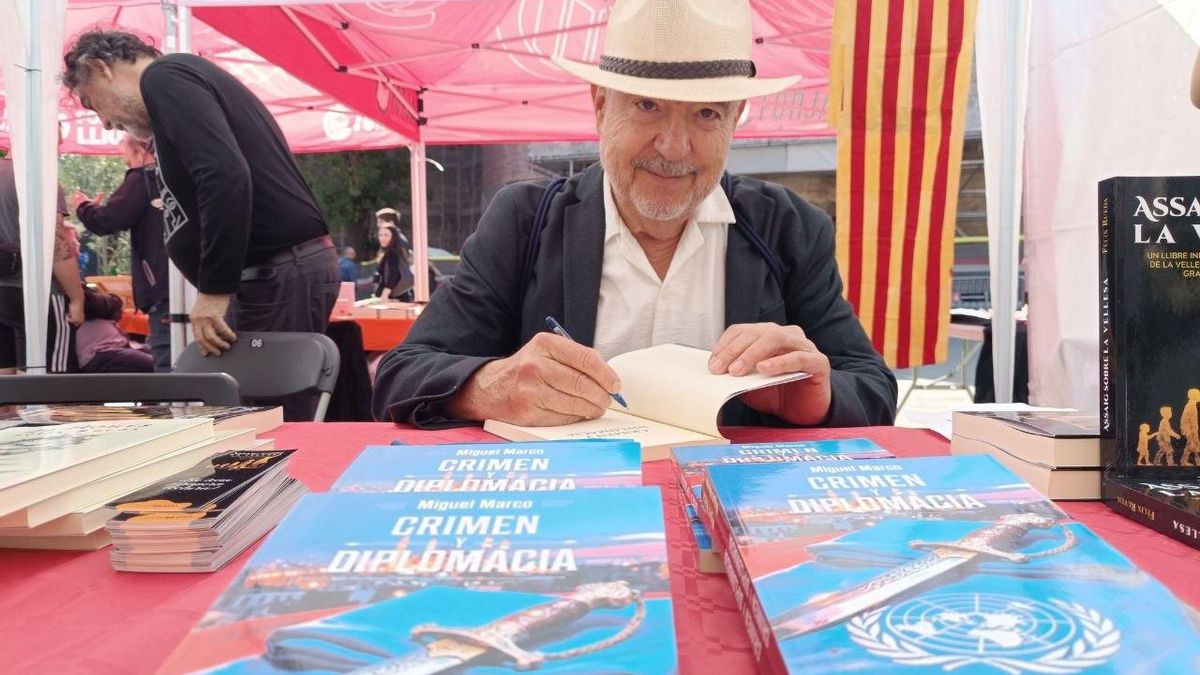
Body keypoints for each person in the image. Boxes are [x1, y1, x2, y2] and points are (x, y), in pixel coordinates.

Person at [371, 0, 896, 428]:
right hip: (572, 507)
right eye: (647, 105)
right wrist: (486, 388)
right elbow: (402, 375)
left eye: (707, 114)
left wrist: (818, 397)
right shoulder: (524, 221)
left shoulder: (789, 227)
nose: (673, 146)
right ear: (601, 105)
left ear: (735, 121)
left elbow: (872, 388)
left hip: (738, 500)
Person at [61, 32, 341, 362]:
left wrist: (214, 289)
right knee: (250, 406)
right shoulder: (173, 89)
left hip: (273, 273)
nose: (106, 123)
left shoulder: (164, 77)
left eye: (94, 104)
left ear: (100, 67)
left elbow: (224, 175)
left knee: (263, 409)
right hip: (268, 275)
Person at [70, 135, 171, 371]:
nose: (122, 156)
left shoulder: (143, 179)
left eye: (124, 152)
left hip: (162, 290)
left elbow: (107, 221)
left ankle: (173, 407)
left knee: (167, 365)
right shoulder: (178, 177)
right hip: (187, 285)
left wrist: (83, 208)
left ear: (139, 150)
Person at [0, 149, 85, 375]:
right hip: (42, 294)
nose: (56, 151)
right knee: (51, 382)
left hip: (3, 290)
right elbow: (54, 244)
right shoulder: (41, 179)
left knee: (6, 385)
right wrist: (77, 298)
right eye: (55, 143)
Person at [75, 287, 154, 373]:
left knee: (155, 352)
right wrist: (113, 300)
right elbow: (102, 303)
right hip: (101, 354)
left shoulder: (102, 320)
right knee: (155, 363)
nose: (122, 313)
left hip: (110, 350)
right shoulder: (86, 304)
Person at [372, 224, 414, 301]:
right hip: (399, 295)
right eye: (380, 235)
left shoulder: (392, 253)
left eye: (386, 235)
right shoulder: (396, 252)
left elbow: (392, 274)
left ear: (393, 237)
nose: (382, 238)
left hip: (392, 297)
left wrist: (385, 294)